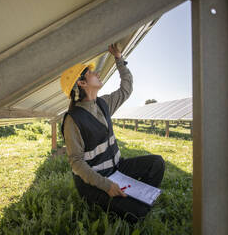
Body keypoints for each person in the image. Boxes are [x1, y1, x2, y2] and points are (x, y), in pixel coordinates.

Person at [59, 43, 165, 223]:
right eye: (90, 72)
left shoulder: (104, 103)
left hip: (117, 169)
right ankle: (134, 201)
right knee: (137, 214)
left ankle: (140, 195)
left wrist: (119, 59)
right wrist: (106, 185)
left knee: (157, 163)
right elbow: (76, 163)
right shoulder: (72, 120)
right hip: (95, 183)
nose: (96, 73)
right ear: (82, 83)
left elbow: (126, 89)